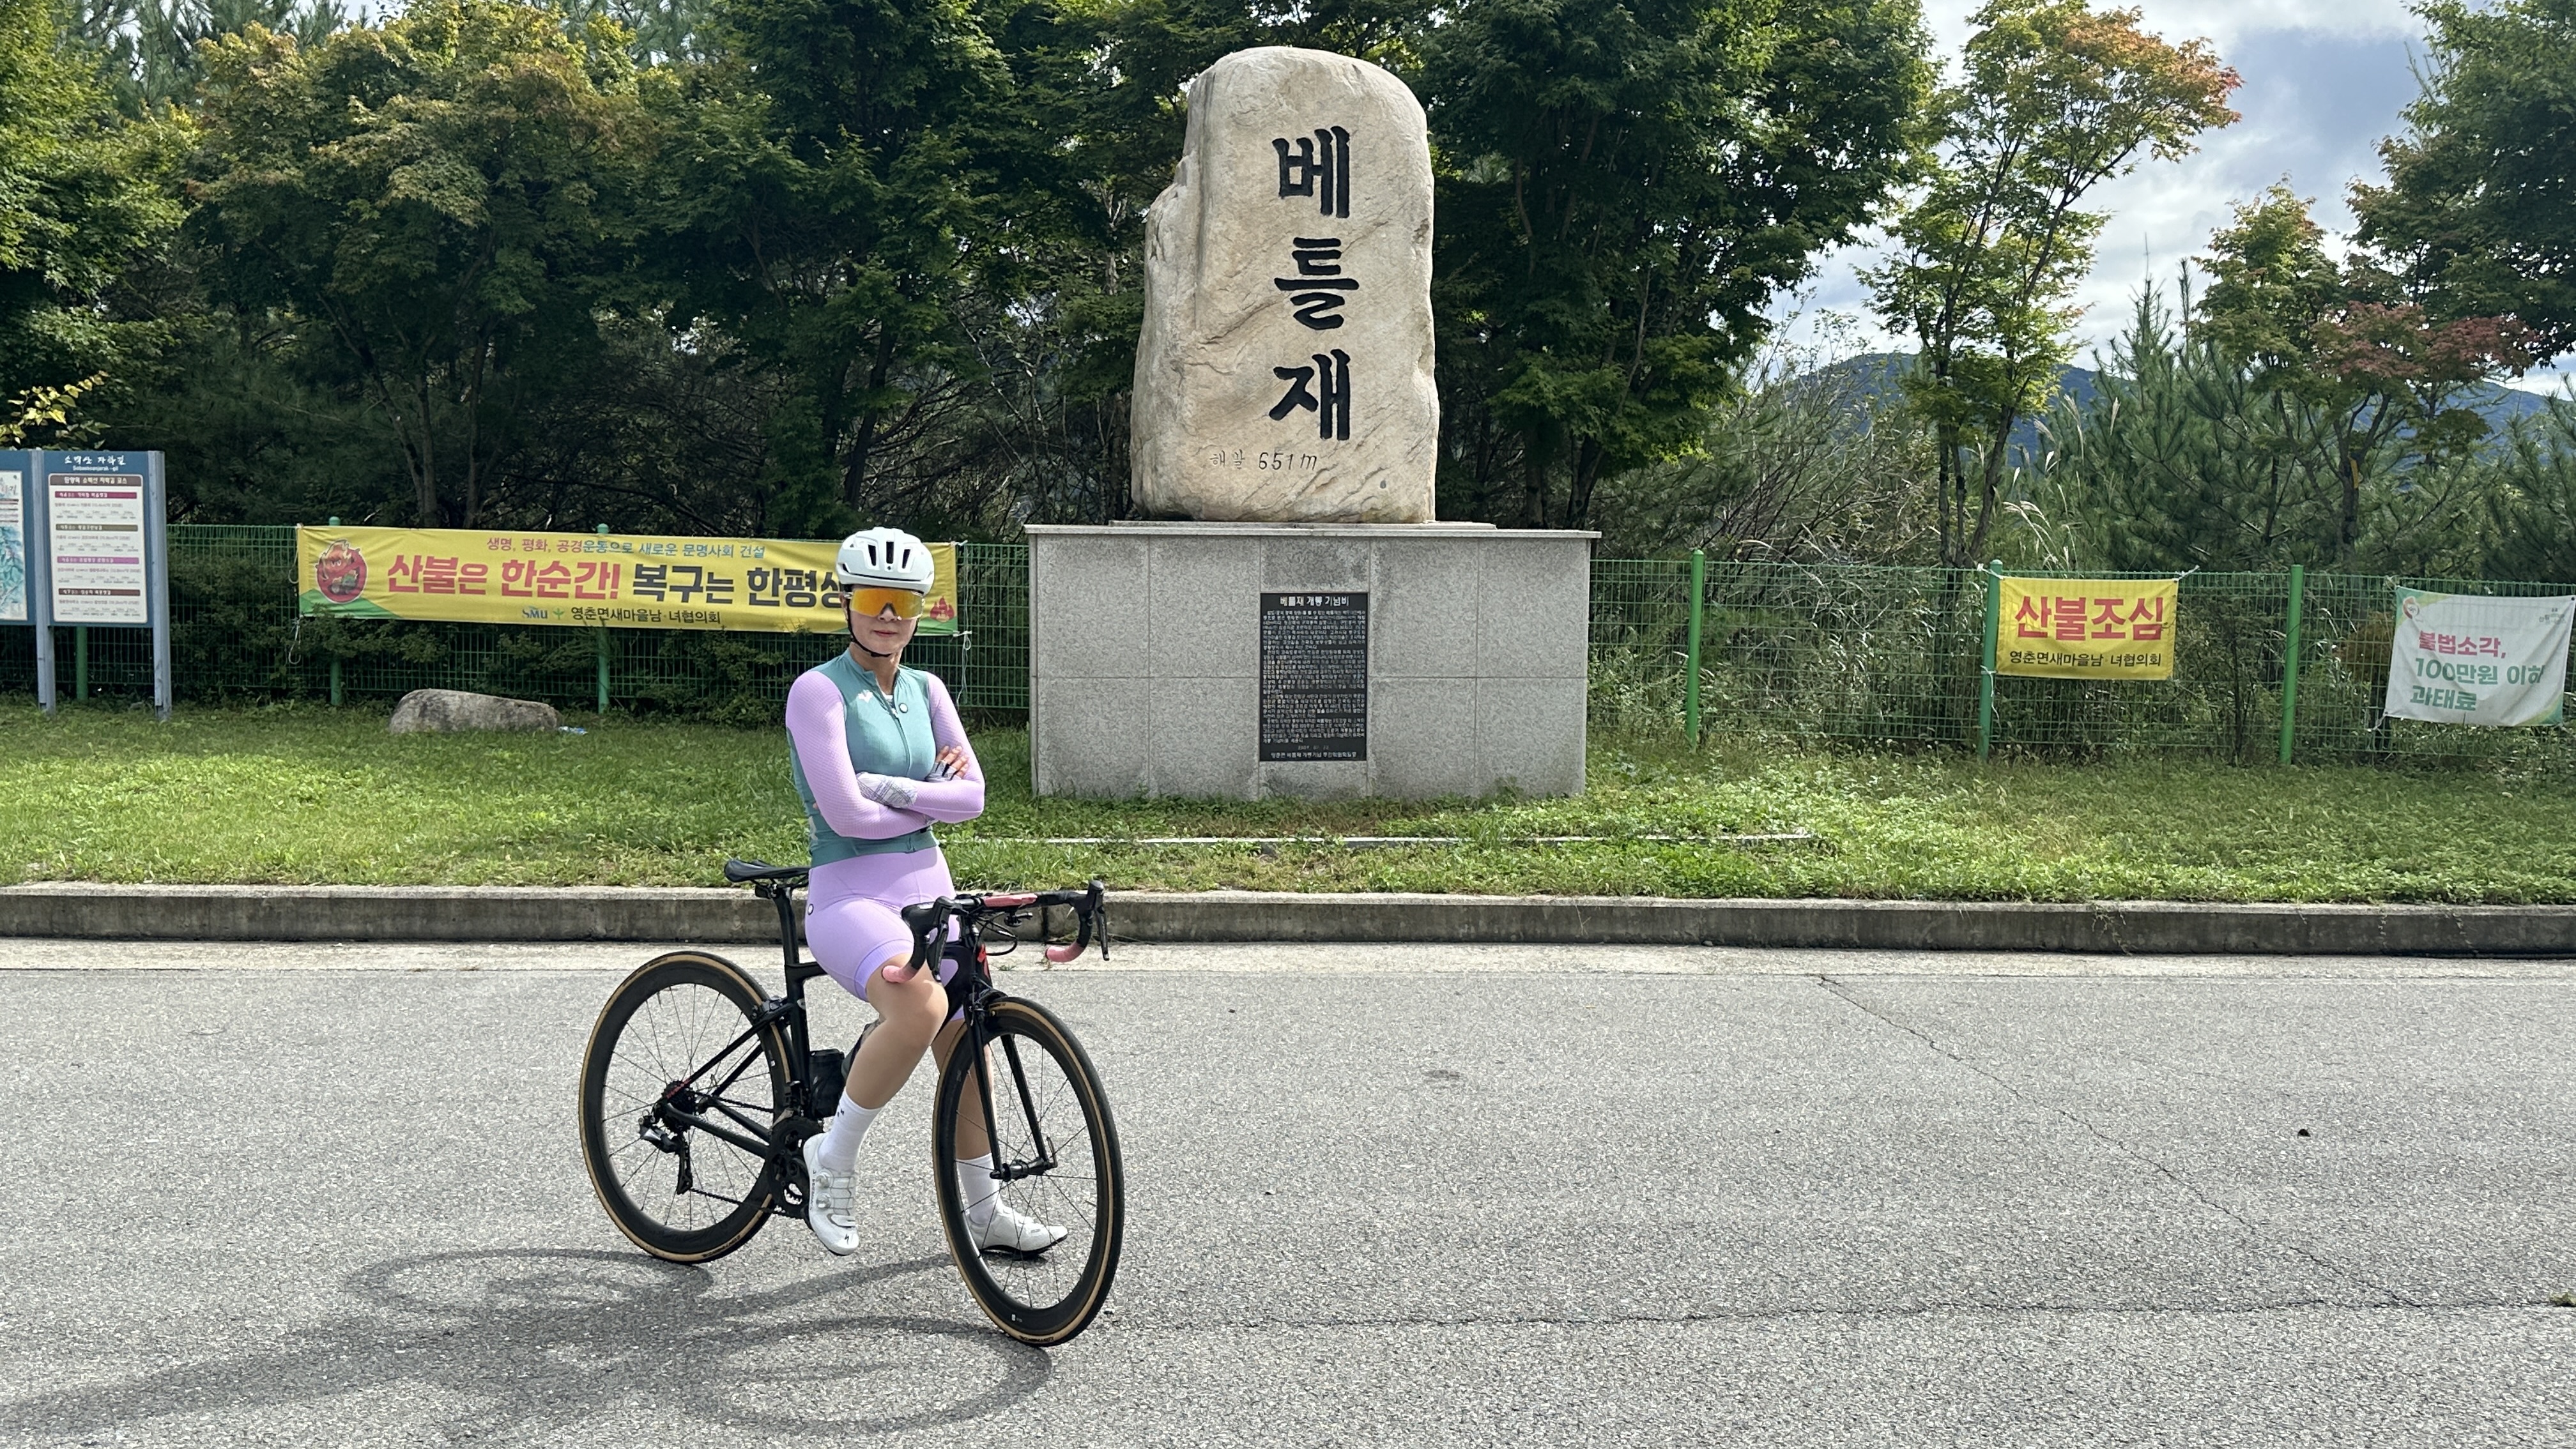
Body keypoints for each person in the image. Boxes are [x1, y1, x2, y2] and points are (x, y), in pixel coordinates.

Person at [786, 526, 1065, 1258]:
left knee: (967, 1029)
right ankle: (831, 1158)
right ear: (846, 601)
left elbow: (973, 797)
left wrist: (891, 788)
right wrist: (928, 796)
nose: (888, 616)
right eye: (874, 599)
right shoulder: (818, 692)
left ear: (921, 611)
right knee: (919, 1005)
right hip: (850, 900)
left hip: (931, 894)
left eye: (904, 602)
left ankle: (985, 1209)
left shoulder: (927, 690)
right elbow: (845, 817)